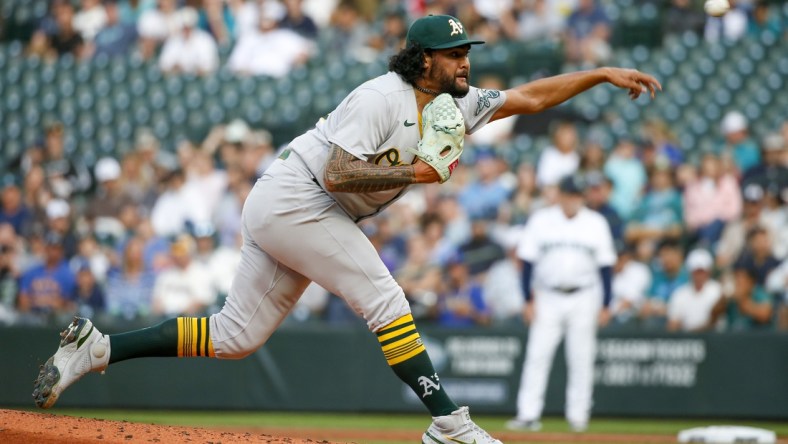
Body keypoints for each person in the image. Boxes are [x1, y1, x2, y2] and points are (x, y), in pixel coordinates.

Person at [34, 14, 660, 444]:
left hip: (300, 207)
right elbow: (336, 174)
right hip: (298, 197)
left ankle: (99, 347)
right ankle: (448, 423)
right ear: (423, 59)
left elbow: (529, 98)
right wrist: (418, 173)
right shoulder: (381, 96)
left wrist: (599, 74)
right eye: (455, 54)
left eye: (468, 51)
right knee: (385, 299)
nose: (466, 61)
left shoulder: (455, 104)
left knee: (235, 335)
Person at [507, 174, 617, 433]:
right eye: (569, 194)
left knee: (581, 358)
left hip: (584, 296)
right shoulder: (542, 220)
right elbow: (527, 263)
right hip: (547, 296)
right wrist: (527, 299)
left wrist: (606, 304)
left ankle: (578, 417)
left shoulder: (596, 222)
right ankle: (527, 414)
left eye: (577, 195)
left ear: (582, 197)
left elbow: (606, 266)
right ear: (561, 195)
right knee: (537, 355)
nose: (573, 200)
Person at [666, 249, 722, 332]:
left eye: (702, 271)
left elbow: (715, 322)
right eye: (696, 272)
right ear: (690, 272)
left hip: (714, 337)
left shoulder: (717, 290)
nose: (699, 275)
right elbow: (673, 324)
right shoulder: (680, 293)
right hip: (688, 340)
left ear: (708, 271)